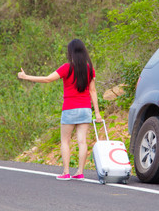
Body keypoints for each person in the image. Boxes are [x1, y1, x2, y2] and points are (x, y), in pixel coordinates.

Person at [18, 39, 102, 181]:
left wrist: (26, 77)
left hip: (70, 109)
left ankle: (66, 172)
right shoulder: (89, 69)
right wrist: (98, 113)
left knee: (65, 141)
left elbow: (47, 79)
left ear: (71, 53)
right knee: (82, 141)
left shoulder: (67, 68)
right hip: (85, 109)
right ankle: (80, 172)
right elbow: (93, 91)